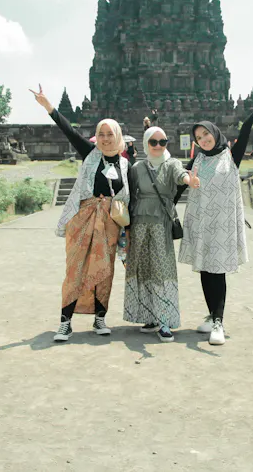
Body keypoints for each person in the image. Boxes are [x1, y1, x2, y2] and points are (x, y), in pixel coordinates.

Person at [177, 82, 253, 346]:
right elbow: (180, 181)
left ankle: (218, 322)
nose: (204, 140)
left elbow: (246, 126)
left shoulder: (230, 155)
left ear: (215, 133)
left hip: (223, 227)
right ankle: (211, 314)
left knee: (218, 273)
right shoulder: (198, 160)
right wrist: (174, 193)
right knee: (204, 271)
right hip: (203, 225)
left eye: (206, 134)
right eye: (199, 138)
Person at [30, 85, 131, 342]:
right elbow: (69, 131)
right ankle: (65, 321)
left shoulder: (125, 165)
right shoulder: (90, 154)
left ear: (118, 136)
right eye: (102, 134)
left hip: (109, 224)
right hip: (83, 218)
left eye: (110, 134)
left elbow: (130, 196)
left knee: (104, 271)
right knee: (74, 269)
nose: (106, 138)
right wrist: (49, 106)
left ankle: (100, 318)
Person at [124, 127, 194, 342]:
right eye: (153, 142)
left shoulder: (171, 164)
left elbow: (180, 175)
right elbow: (130, 195)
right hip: (139, 224)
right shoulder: (136, 168)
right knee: (143, 269)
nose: (157, 146)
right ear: (146, 143)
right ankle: (150, 316)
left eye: (162, 142)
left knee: (162, 271)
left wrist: (188, 180)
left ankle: (165, 320)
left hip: (160, 224)